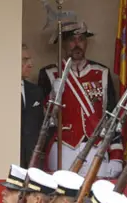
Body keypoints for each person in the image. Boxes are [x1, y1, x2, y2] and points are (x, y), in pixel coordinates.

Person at [38, 22, 122, 178]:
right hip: (63, 147)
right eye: (72, 39)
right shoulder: (50, 73)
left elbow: (113, 117)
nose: (77, 44)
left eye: (81, 39)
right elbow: (41, 118)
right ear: (62, 43)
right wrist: (52, 97)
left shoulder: (101, 72)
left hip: (96, 147)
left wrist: (116, 155)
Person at [21, 45, 44, 168]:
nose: (30, 65)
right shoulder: (2, 90)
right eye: (25, 60)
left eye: (30, 60)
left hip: (32, 159)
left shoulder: (36, 91)